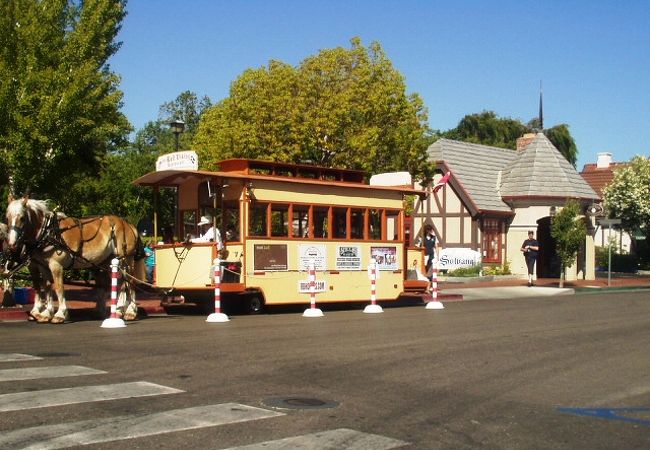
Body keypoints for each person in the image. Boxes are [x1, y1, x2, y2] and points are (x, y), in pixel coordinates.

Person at [423, 224, 436, 292]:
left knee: (430, 272)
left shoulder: (434, 238)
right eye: (429, 230)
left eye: (431, 230)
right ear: (426, 231)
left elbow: (436, 247)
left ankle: (428, 287)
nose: (430, 231)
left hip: (431, 256)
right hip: (424, 256)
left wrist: (437, 257)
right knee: (425, 272)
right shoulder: (423, 238)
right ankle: (427, 287)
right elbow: (419, 246)